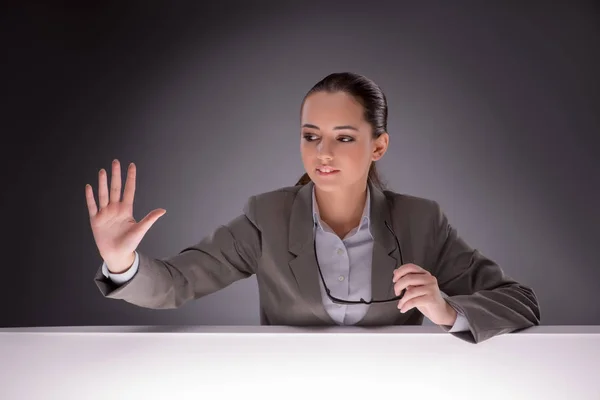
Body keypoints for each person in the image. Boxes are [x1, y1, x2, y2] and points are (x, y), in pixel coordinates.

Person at [87, 72, 541, 344]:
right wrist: (121, 262)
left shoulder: (421, 221)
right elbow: (176, 284)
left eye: (344, 137)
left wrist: (447, 311)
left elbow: (519, 303)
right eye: (310, 136)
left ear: (378, 146)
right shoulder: (266, 217)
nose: (323, 152)